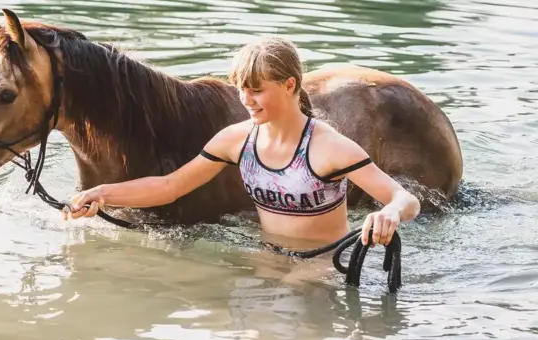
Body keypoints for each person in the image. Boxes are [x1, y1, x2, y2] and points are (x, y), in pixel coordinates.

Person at [62, 36, 420, 249]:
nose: (245, 99)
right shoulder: (237, 139)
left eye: (256, 89)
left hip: (323, 266)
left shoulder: (328, 146)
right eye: (240, 88)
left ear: (290, 85)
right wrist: (103, 193)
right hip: (266, 259)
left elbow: (405, 199)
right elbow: (170, 187)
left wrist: (389, 212)